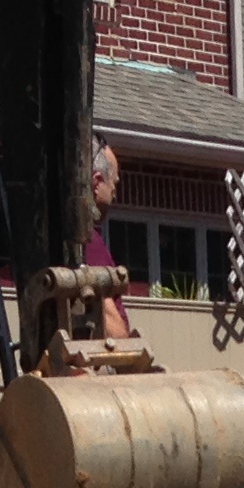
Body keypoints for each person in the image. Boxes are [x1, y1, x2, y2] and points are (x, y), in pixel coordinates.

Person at [86, 142, 139, 341]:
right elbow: (111, 328)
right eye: (114, 184)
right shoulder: (86, 242)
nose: (114, 193)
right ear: (97, 181)